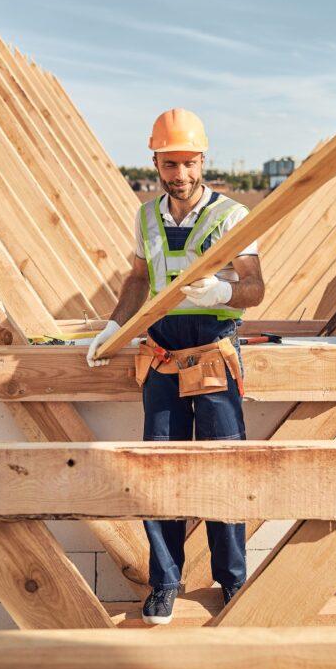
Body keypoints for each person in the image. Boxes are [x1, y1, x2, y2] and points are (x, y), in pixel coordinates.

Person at [87, 108, 265, 624]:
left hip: (211, 356)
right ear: (156, 163)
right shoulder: (146, 217)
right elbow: (139, 281)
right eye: (170, 164)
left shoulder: (230, 216)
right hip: (162, 358)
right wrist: (112, 328)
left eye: (188, 163)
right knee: (158, 473)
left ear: (202, 160)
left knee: (224, 468)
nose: (180, 175)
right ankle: (165, 582)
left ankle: (232, 580)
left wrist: (225, 289)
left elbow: (256, 288)